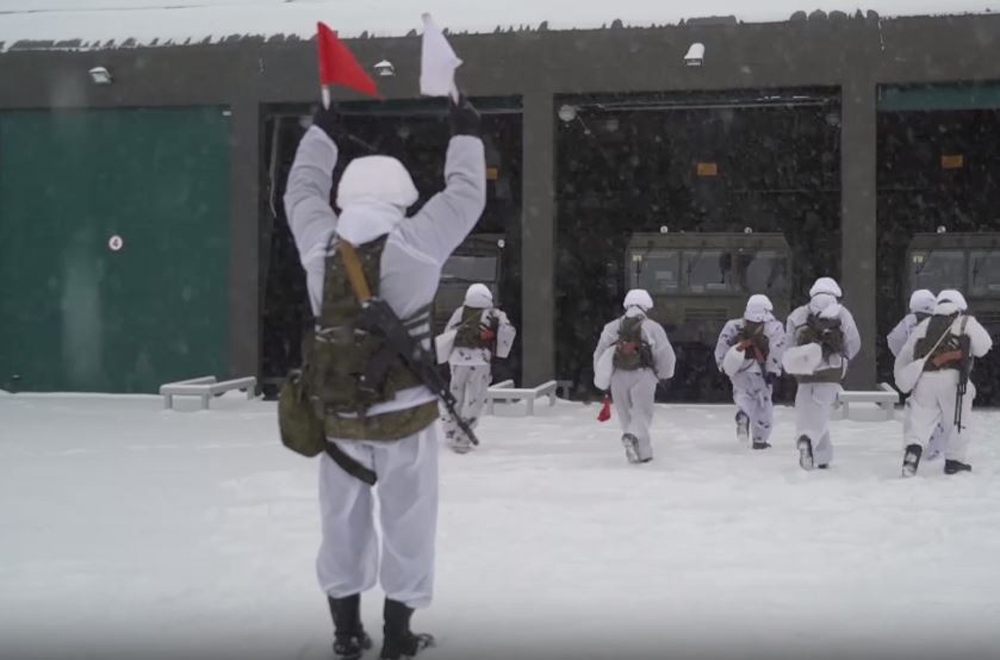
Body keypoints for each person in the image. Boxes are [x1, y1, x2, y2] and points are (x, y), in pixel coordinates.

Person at [283, 97, 485, 660]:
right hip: (405, 417)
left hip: (338, 416)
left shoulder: (318, 244)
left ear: (343, 197)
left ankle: (346, 631)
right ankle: (398, 634)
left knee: (340, 519)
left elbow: (299, 192)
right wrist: (464, 131)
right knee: (409, 521)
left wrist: (321, 130)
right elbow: (466, 195)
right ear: (401, 198)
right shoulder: (417, 245)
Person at [895, 289, 992, 477]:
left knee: (920, 420)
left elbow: (905, 355)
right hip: (954, 380)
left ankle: (912, 454)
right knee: (957, 420)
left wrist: (905, 376)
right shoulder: (966, 322)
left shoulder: (925, 324)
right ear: (960, 306)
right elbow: (983, 347)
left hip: (926, 379)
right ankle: (954, 461)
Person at [782, 277, 861, 471]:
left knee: (806, 411)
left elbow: (788, 346)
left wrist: (800, 363)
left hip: (804, 371)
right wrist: (843, 359)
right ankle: (806, 440)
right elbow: (854, 342)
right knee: (821, 411)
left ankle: (822, 456)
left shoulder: (798, 314)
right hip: (831, 370)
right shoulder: (842, 313)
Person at [592, 289, 676, 463]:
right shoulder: (652, 327)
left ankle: (640, 450)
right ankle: (634, 440)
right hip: (643, 374)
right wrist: (663, 374)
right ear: (646, 306)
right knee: (642, 413)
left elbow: (599, 354)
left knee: (625, 414)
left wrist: (602, 378)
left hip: (618, 375)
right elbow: (666, 354)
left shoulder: (611, 327)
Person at [440, 283, 516, 453]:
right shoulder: (495, 313)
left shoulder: (460, 312)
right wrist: (500, 350)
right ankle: (463, 436)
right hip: (480, 361)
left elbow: (448, 332)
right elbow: (508, 331)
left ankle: (450, 429)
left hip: (457, 360)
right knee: (475, 398)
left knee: (455, 394)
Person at [714, 294, 787, 449]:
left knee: (743, 395)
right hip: (761, 371)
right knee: (763, 403)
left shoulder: (733, 325)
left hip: (739, 369)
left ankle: (743, 414)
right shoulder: (774, 327)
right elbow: (778, 349)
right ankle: (760, 439)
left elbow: (722, 345)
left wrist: (722, 364)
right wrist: (773, 371)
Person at [887, 289, 948, 460]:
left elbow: (893, 340)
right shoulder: (940, 321)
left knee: (916, 408)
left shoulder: (908, 322)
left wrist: (906, 361)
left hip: (916, 373)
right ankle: (936, 448)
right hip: (938, 370)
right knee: (938, 410)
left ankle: (912, 444)